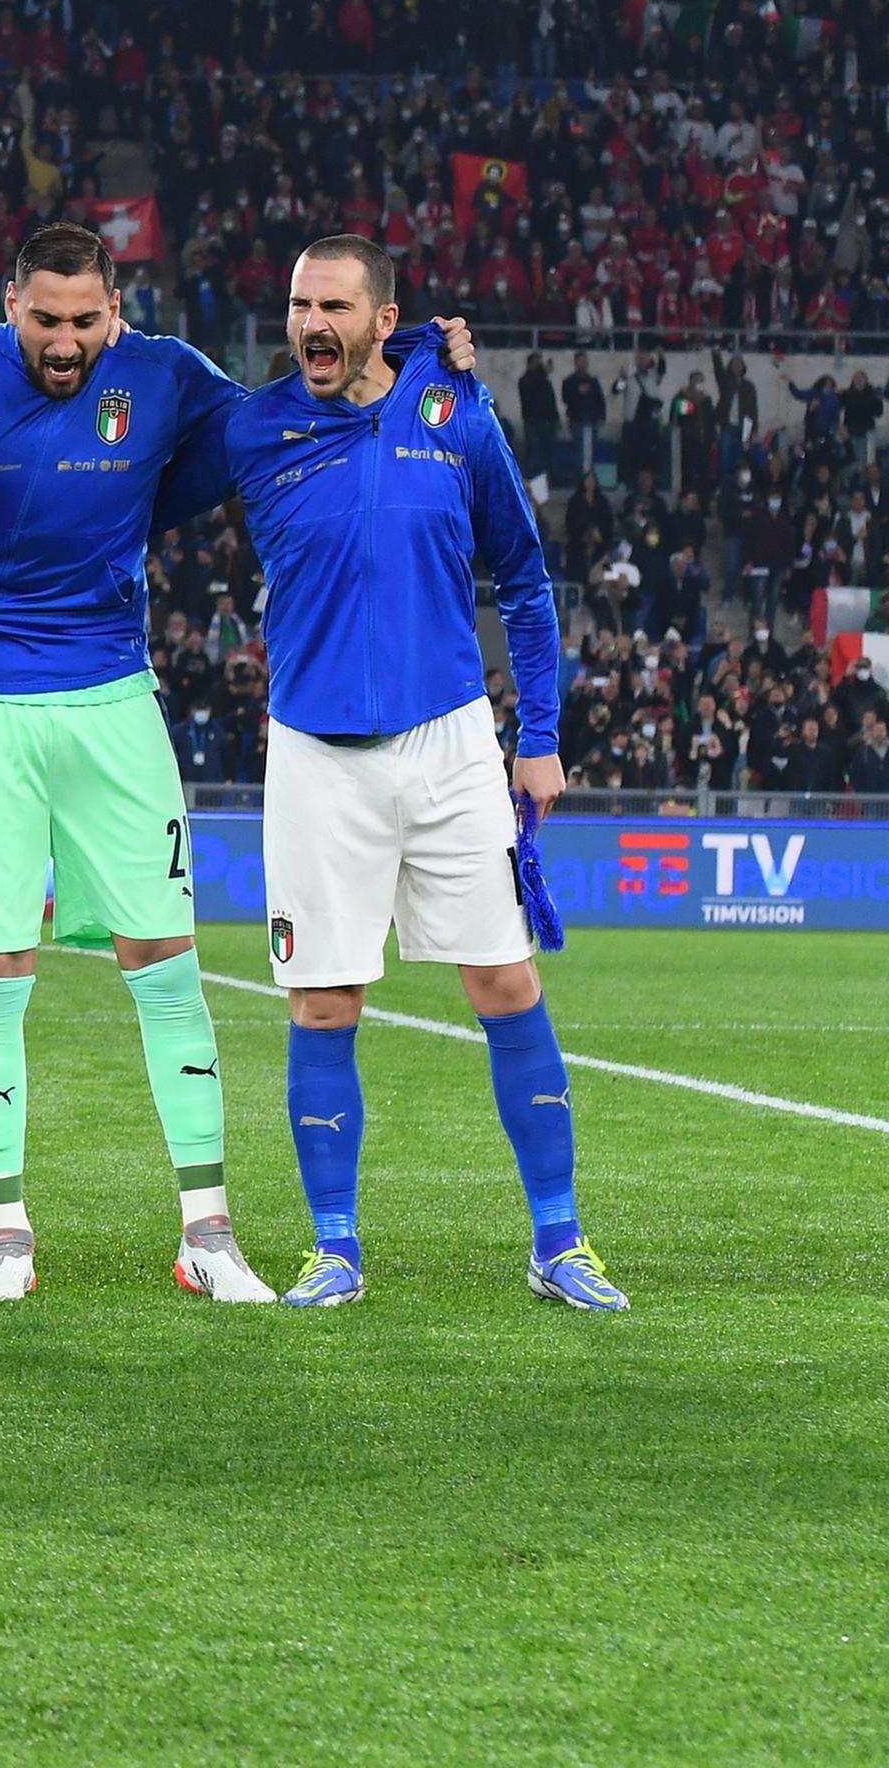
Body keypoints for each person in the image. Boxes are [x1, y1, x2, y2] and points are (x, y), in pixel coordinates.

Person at [178, 236, 622, 1311]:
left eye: (336, 304)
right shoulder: (253, 426)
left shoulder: (454, 411)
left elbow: (523, 577)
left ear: (384, 316)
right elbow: (128, 494)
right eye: (297, 304)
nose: (311, 323)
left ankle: (559, 1242)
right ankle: (336, 1247)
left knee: (507, 985)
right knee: (323, 1005)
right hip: (317, 757)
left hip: (451, 742)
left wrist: (541, 732)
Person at [0, 225, 278, 1302]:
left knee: (166, 962)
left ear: (117, 312)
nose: (68, 339)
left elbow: (282, 426)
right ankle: (6, 1240)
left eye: (88, 320)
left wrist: (412, 363)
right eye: (47, 319)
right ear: (10, 305)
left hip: (114, 703)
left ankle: (208, 1234)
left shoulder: (171, 375)